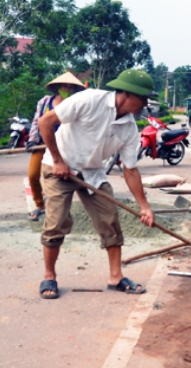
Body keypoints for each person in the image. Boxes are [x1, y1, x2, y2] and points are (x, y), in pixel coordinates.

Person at [37, 69, 157, 299]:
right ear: (127, 95)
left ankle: (116, 277)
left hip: (92, 172)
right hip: (59, 167)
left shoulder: (130, 128)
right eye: (143, 98)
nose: (145, 103)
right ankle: (49, 276)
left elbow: (130, 170)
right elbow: (46, 121)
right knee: (57, 221)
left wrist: (144, 206)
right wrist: (58, 160)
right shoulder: (90, 99)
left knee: (109, 219)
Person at [25, 72, 85, 221]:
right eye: (65, 86)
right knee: (33, 175)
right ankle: (40, 206)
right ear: (58, 87)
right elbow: (36, 121)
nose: (68, 89)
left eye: (71, 87)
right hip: (43, 144)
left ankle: (61, 211)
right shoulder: (45, 102)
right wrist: (32, 139)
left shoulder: (75, 104)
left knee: (64, 179)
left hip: (64, 147)